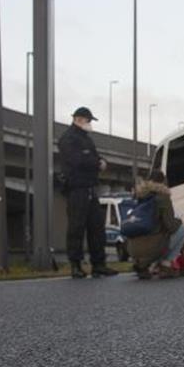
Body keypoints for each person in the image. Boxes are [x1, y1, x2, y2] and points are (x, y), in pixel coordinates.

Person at [58, 106, 117, 279]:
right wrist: (97, 163)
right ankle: (75, 265)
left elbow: (93, 156)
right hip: (77, 189)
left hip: (90, 188)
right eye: (88, 120)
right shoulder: (68, 139)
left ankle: (99, 264)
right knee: (76, 228)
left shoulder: (86, 139)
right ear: (78, 119)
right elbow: (78, 160)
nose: (90, 124)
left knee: (97, 228)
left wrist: (101, 160)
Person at [126, 170, 184, 280]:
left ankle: (143, 266)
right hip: (151, 248)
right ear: (164, 182)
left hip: (132, 250)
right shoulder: (162, 197)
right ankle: (165, 265)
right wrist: (179, 221)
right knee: (182, 229)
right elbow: (171, 226)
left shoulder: (139, 196)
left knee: (154, 234)